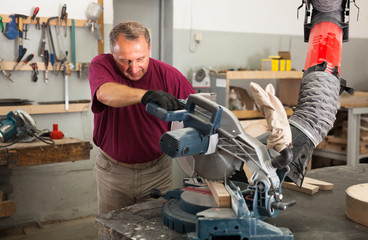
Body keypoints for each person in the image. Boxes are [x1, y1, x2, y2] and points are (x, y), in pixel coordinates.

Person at [88, 21, 196, 215]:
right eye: (125, 60)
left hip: (157, 173)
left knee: (155, 232)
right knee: (112, 231)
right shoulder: (102, 64)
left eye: (140, 59)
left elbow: (198, 115)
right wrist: (145, 96)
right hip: (113, 172)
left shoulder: (171, 77)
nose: (134, 68)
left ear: (149, 48)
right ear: (112, 52)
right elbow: (104, 93)